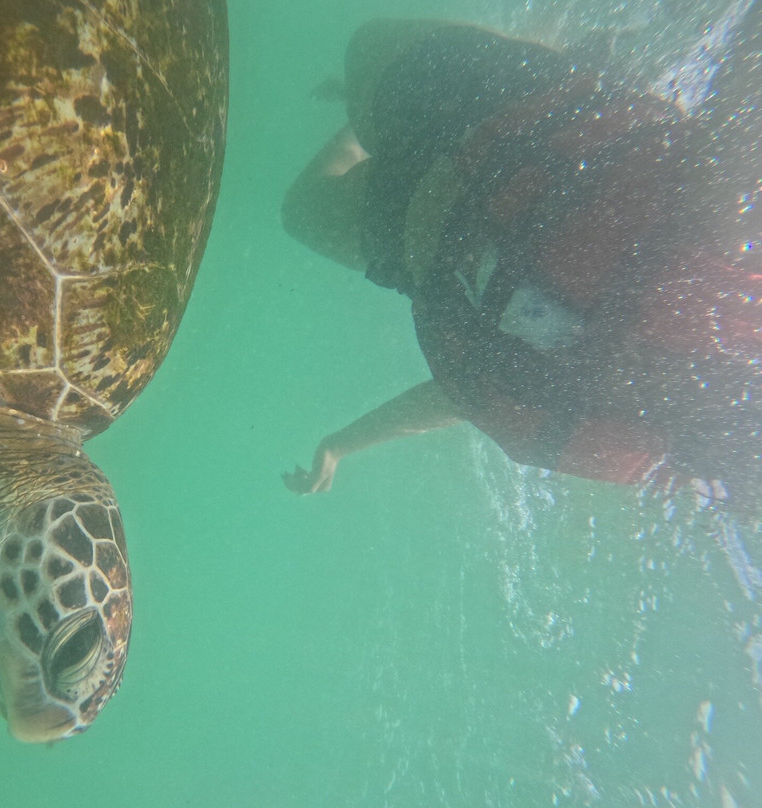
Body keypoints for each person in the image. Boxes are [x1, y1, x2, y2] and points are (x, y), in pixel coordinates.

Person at [282, 19, 762, 502]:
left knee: (300, 211)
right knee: (365, 47)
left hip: (418, 222)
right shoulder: (729, 259)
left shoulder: (624, 440)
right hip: (505, 106)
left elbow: (476, 387)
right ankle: (374, 115)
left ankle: (369, 121)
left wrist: (342, 444)